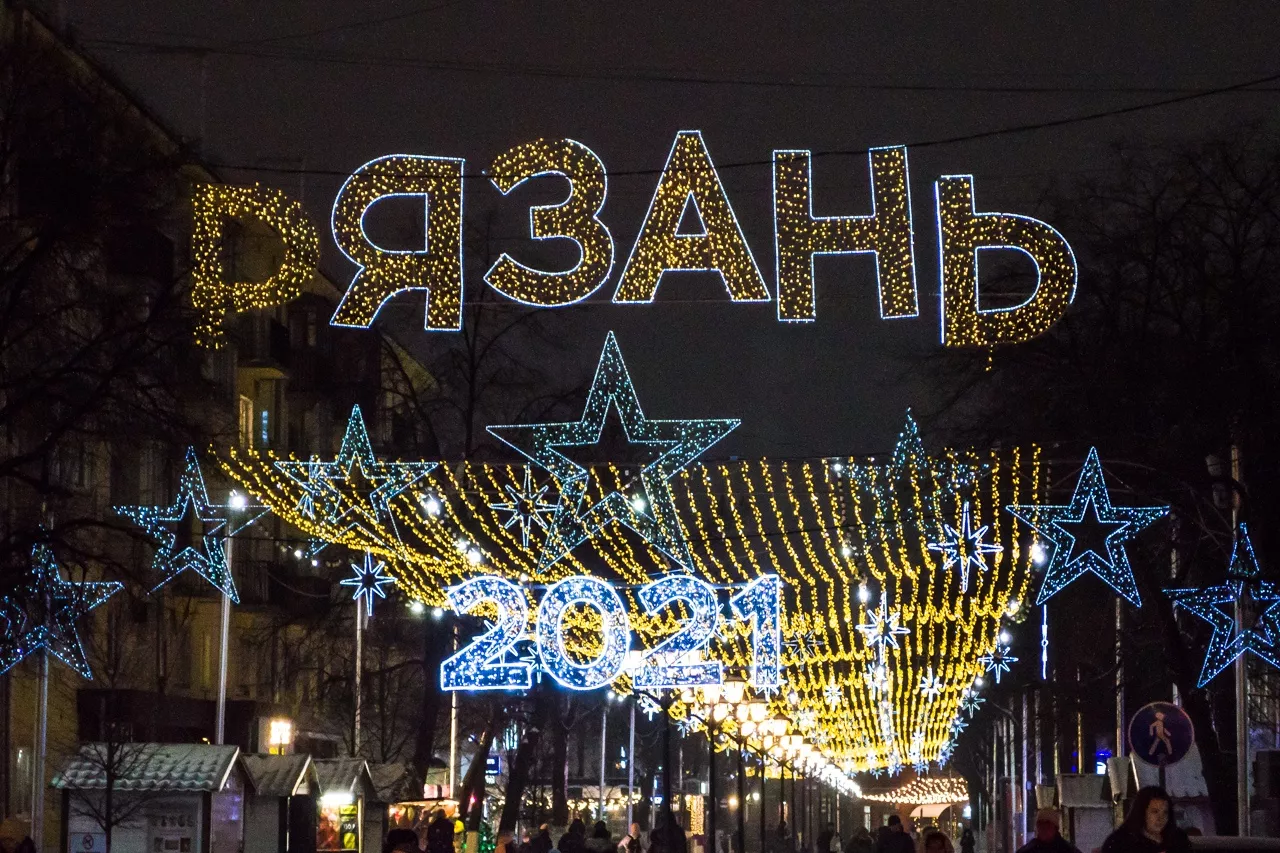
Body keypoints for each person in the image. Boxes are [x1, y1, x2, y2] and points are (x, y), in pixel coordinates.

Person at [1100, 787, 1190, 853]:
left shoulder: (1178, 839)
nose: (1160, 818)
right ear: (1142, 812)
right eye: (1155, 812)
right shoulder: (1120, 842)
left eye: (1165, 812)